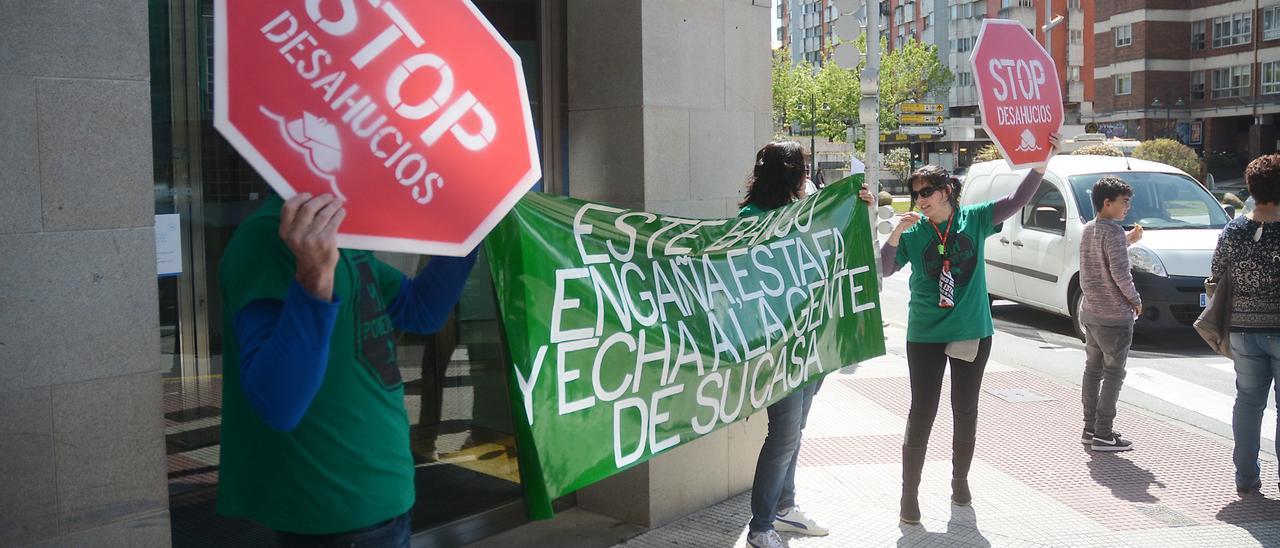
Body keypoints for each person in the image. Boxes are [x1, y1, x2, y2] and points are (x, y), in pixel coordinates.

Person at [216, 192, 477, 547]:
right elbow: (277, 403)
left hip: (386, 492)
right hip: (333, 509)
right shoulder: (266, 238)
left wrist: (472, 227)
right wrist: (314, 279)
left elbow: (420, 309)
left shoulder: (340, 234)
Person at [880, 134, 1061, 524]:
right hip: (925, 333)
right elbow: (884, 268)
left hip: (971, 329)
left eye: (927, 192)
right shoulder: (913, 232)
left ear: (947, 191)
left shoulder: (974, 219)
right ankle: (908, 495)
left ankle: (959, 481)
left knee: (965, 410)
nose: (921, 200)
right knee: (922, 412)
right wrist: (894, 233)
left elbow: (1015, 202)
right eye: (915, 194)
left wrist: (1041, 166)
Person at [741, 141, 873, 548]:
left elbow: (839, 248)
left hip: (813, 336)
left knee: (794, 431)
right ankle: (761, 525)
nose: (808, 174)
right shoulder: (752, 217)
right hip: (777, 344)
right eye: (803, 168)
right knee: (782, 434)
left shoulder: (811, 204)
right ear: (789, 173)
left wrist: (858, 207)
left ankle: (785, 508)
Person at [1211, 153, 1280, 496]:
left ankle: (1246, 477)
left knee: (1249, 403)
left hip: (1242, 330)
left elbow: (1215, 275)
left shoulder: (1234, 230)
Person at [1078, 176, 1144, 452]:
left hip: (1090, 311)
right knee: (1114, 373)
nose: (1127, 207)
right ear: (1108, 203)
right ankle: (1104, 433)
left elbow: (1102, 258)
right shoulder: (1114, 233)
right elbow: (1119, 271)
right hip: (1114, 315)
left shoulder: (1089, 229)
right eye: (1124, 202)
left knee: (1093, 370)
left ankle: (1090, 428)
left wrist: (1128, 239)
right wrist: (1135, 299)